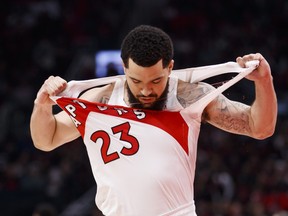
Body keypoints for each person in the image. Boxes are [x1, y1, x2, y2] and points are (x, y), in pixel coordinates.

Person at [30, 25, 277, 216]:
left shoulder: (188, 97)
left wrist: (264, 82)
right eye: (137, 81)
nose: (146, 91)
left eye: (156, 81)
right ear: (124, 68)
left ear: (170, 67)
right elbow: (46, 140)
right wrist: (41, 105)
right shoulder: (98, 101)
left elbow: (260, 128)